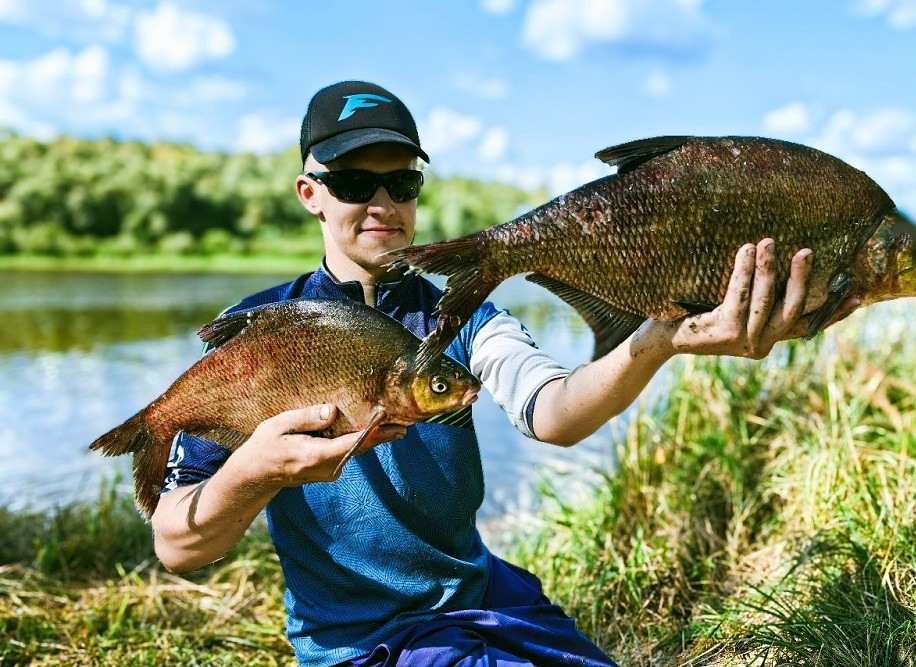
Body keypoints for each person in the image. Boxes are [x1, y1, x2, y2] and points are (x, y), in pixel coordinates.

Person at [150, 80, 853, 667]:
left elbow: (554, 411)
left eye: (401, 181)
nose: (382, 203)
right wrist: (259, 470)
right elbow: (178, 543)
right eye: (356, 182)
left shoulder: (459, 316)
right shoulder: (259, 335)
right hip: (362, 644)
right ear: (311, 193)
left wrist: (657, 339)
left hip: (481, 598)